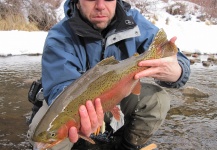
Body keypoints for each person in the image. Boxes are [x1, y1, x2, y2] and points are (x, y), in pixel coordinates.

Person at [27, 0, 190, 149]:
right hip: (81, 103)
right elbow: (60, 88)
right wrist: (80, 115)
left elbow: (174, 56)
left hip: (121, 90)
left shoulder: (133, 22)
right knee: (42, 137)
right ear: (77, 2)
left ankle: (128, 146)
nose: (100, 5)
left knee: (157, 100)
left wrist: (178, 71)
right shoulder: (60, 35)